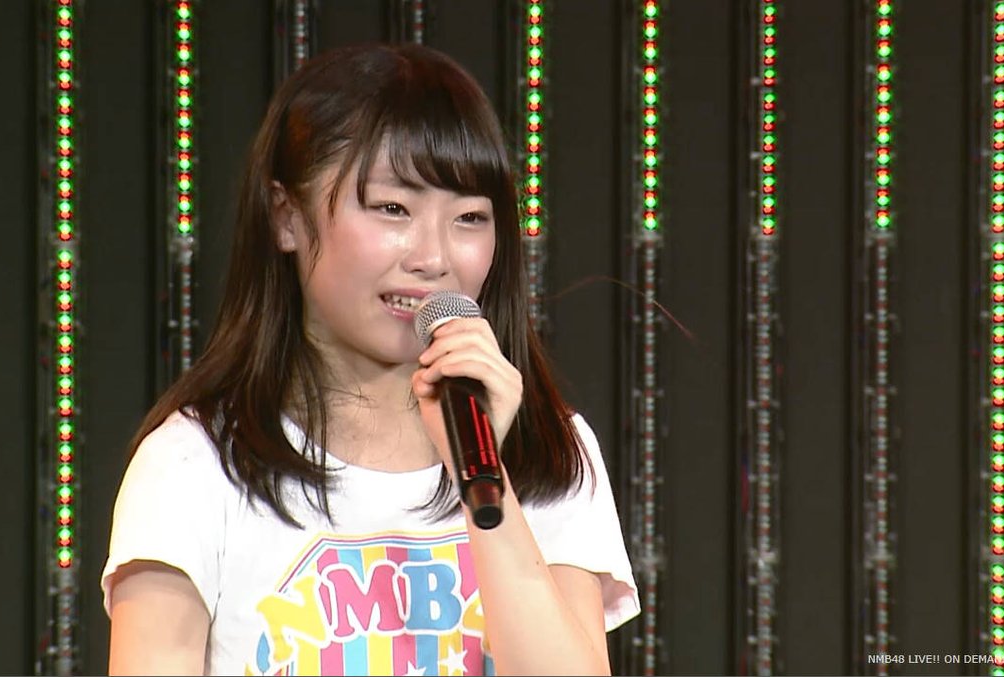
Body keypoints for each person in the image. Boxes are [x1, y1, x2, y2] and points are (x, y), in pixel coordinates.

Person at [101, 42, 639, 676]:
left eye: (470, 217)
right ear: (287, 217)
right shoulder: (194, 466)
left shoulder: (549, 451)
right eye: (392, 209)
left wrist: (484, 477)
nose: (433, 257)